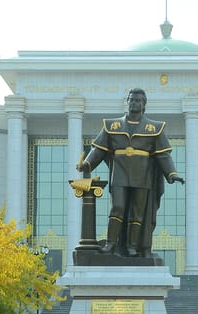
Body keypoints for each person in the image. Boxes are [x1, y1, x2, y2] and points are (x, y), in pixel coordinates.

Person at [77, 88, 184, 257]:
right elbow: (98, 149)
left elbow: (163, 155)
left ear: (144, 105)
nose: (134, 103)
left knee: (137, 212)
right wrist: (88, 163)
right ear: (127, 102)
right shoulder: (113, 125)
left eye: (138, 100)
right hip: (120, 174)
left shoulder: (154, 128)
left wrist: (172, 174)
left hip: (143, 176)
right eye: (132, 100)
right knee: (117, 207)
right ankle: (111, 244)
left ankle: (132, 246)